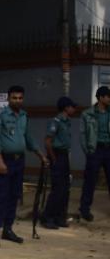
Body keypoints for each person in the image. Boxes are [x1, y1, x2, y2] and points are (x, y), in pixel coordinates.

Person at [0, 85, 47, 247]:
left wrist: (40, 155)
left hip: (19, 161)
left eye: (20, 98)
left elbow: (28, 137)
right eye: (14, 98)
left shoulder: (24, 116)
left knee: (15, 195)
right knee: (2, 196)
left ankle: (8, 229)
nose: (17, 100)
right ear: (8, 98)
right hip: (5, 161)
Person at [42, 96, 77, 228]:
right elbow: (48, 141)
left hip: (64, 156)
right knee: (57, 189)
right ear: (66, 108)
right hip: (56, 156)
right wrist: (53, 159)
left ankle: (59, 217)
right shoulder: (55, 121)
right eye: (72, 106)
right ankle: (47, 217)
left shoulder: (67, 121)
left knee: (65, 188)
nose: (74, 109)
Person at [78, 86, 110, 222]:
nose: (109, 99)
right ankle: (84, 209)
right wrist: (89, 152)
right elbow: (82, 135)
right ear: (101, 98)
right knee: (90, 181)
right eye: (108, 96)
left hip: (109, 149)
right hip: (95, 150)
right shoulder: (88, 114)